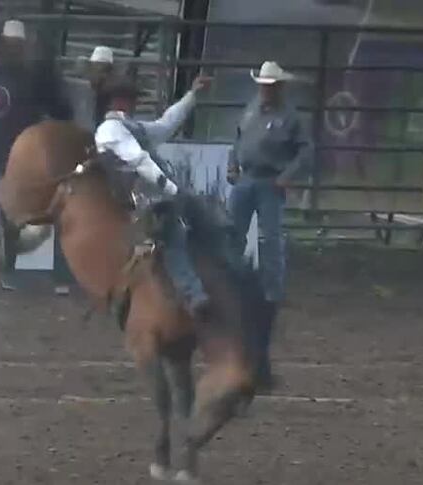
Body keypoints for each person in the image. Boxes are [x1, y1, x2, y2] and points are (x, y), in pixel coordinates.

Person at [0, 19, 71, 291]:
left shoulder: (34, 80)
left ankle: (9, 266)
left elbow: (55, 110)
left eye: (18, 46)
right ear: (2, 45)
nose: (14, 51)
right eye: (10, 45)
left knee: (12, 215)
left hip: (18, 157)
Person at [94, 74, 213, 318]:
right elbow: (139, 159)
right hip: (138, 199)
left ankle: (184, 292)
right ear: (118, 101)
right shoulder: (112, 129)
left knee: (175, 234)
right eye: (130, 99)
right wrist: (170, 188)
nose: (133, 104)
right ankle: (193, 294)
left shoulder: (125, 127)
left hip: (145, 197)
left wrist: (191, 96)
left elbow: (165, 125)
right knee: (174, 235)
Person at [226, 61, 310, 388]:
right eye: (264, 83)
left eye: (271, 84)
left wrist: (286, 176)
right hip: (248, 179)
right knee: (233, 232)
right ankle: (232, 279)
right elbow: (238, 140)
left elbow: (305, 152)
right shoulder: (251, 111)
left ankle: (272, 288)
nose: (267, 88)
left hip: (269, 181)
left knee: (269, 238)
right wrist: (233, 164)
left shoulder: (290, 117)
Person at [53, 45, 115, 297]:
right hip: (84, 160)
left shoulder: (104, 97)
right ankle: (65, 274)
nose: (97, 74)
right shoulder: (85, 93)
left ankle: (84, 275)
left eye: (102, 70)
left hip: (98, 163)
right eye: (95, 69)